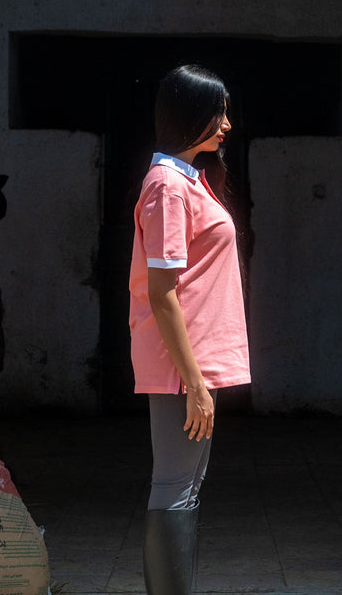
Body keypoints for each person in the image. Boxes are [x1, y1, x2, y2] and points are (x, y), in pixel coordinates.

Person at [128, 64, 251, 595]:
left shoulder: (185, 179)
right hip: (184, 368)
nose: (226, 123)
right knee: (176, 488)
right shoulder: (166, 188)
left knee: (187, 488)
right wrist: (195, 383)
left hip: (195, 363)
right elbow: (161, 292)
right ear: (189, 115)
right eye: (217, 112)